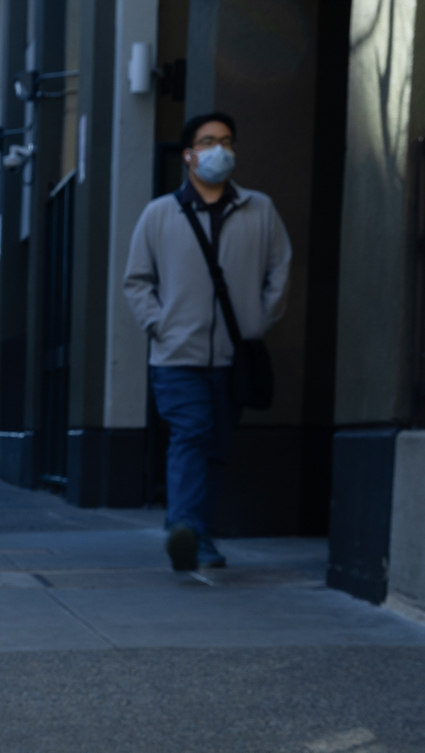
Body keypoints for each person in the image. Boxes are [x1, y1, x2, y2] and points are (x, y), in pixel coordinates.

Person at [122, 110, 292, 571]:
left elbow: (280, 270)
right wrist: (160, 324)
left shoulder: (260, 209)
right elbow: (136, 280)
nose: (220, 149)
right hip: (177, 354)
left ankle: (199, 533)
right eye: (209, 141)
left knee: (216, 446)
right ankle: (184, 528)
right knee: (191, 433)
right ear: (189, 155)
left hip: (235, 355)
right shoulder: (159, 214)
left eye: (228, 141)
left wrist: (260, 318)